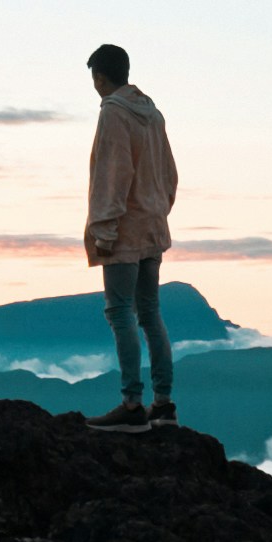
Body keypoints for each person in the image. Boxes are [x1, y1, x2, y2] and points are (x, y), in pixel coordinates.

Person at [80, 42, 181, 427]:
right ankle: (165, 404)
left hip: (123, 230)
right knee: (150, 313)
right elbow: (170, 175)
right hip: (152, 227)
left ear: (100, 78)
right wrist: (157, 210)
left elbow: (112, 174)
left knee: (120, 312)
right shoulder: (153, 115)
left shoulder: (114, 115)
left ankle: (132, 405)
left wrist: (104, 230)